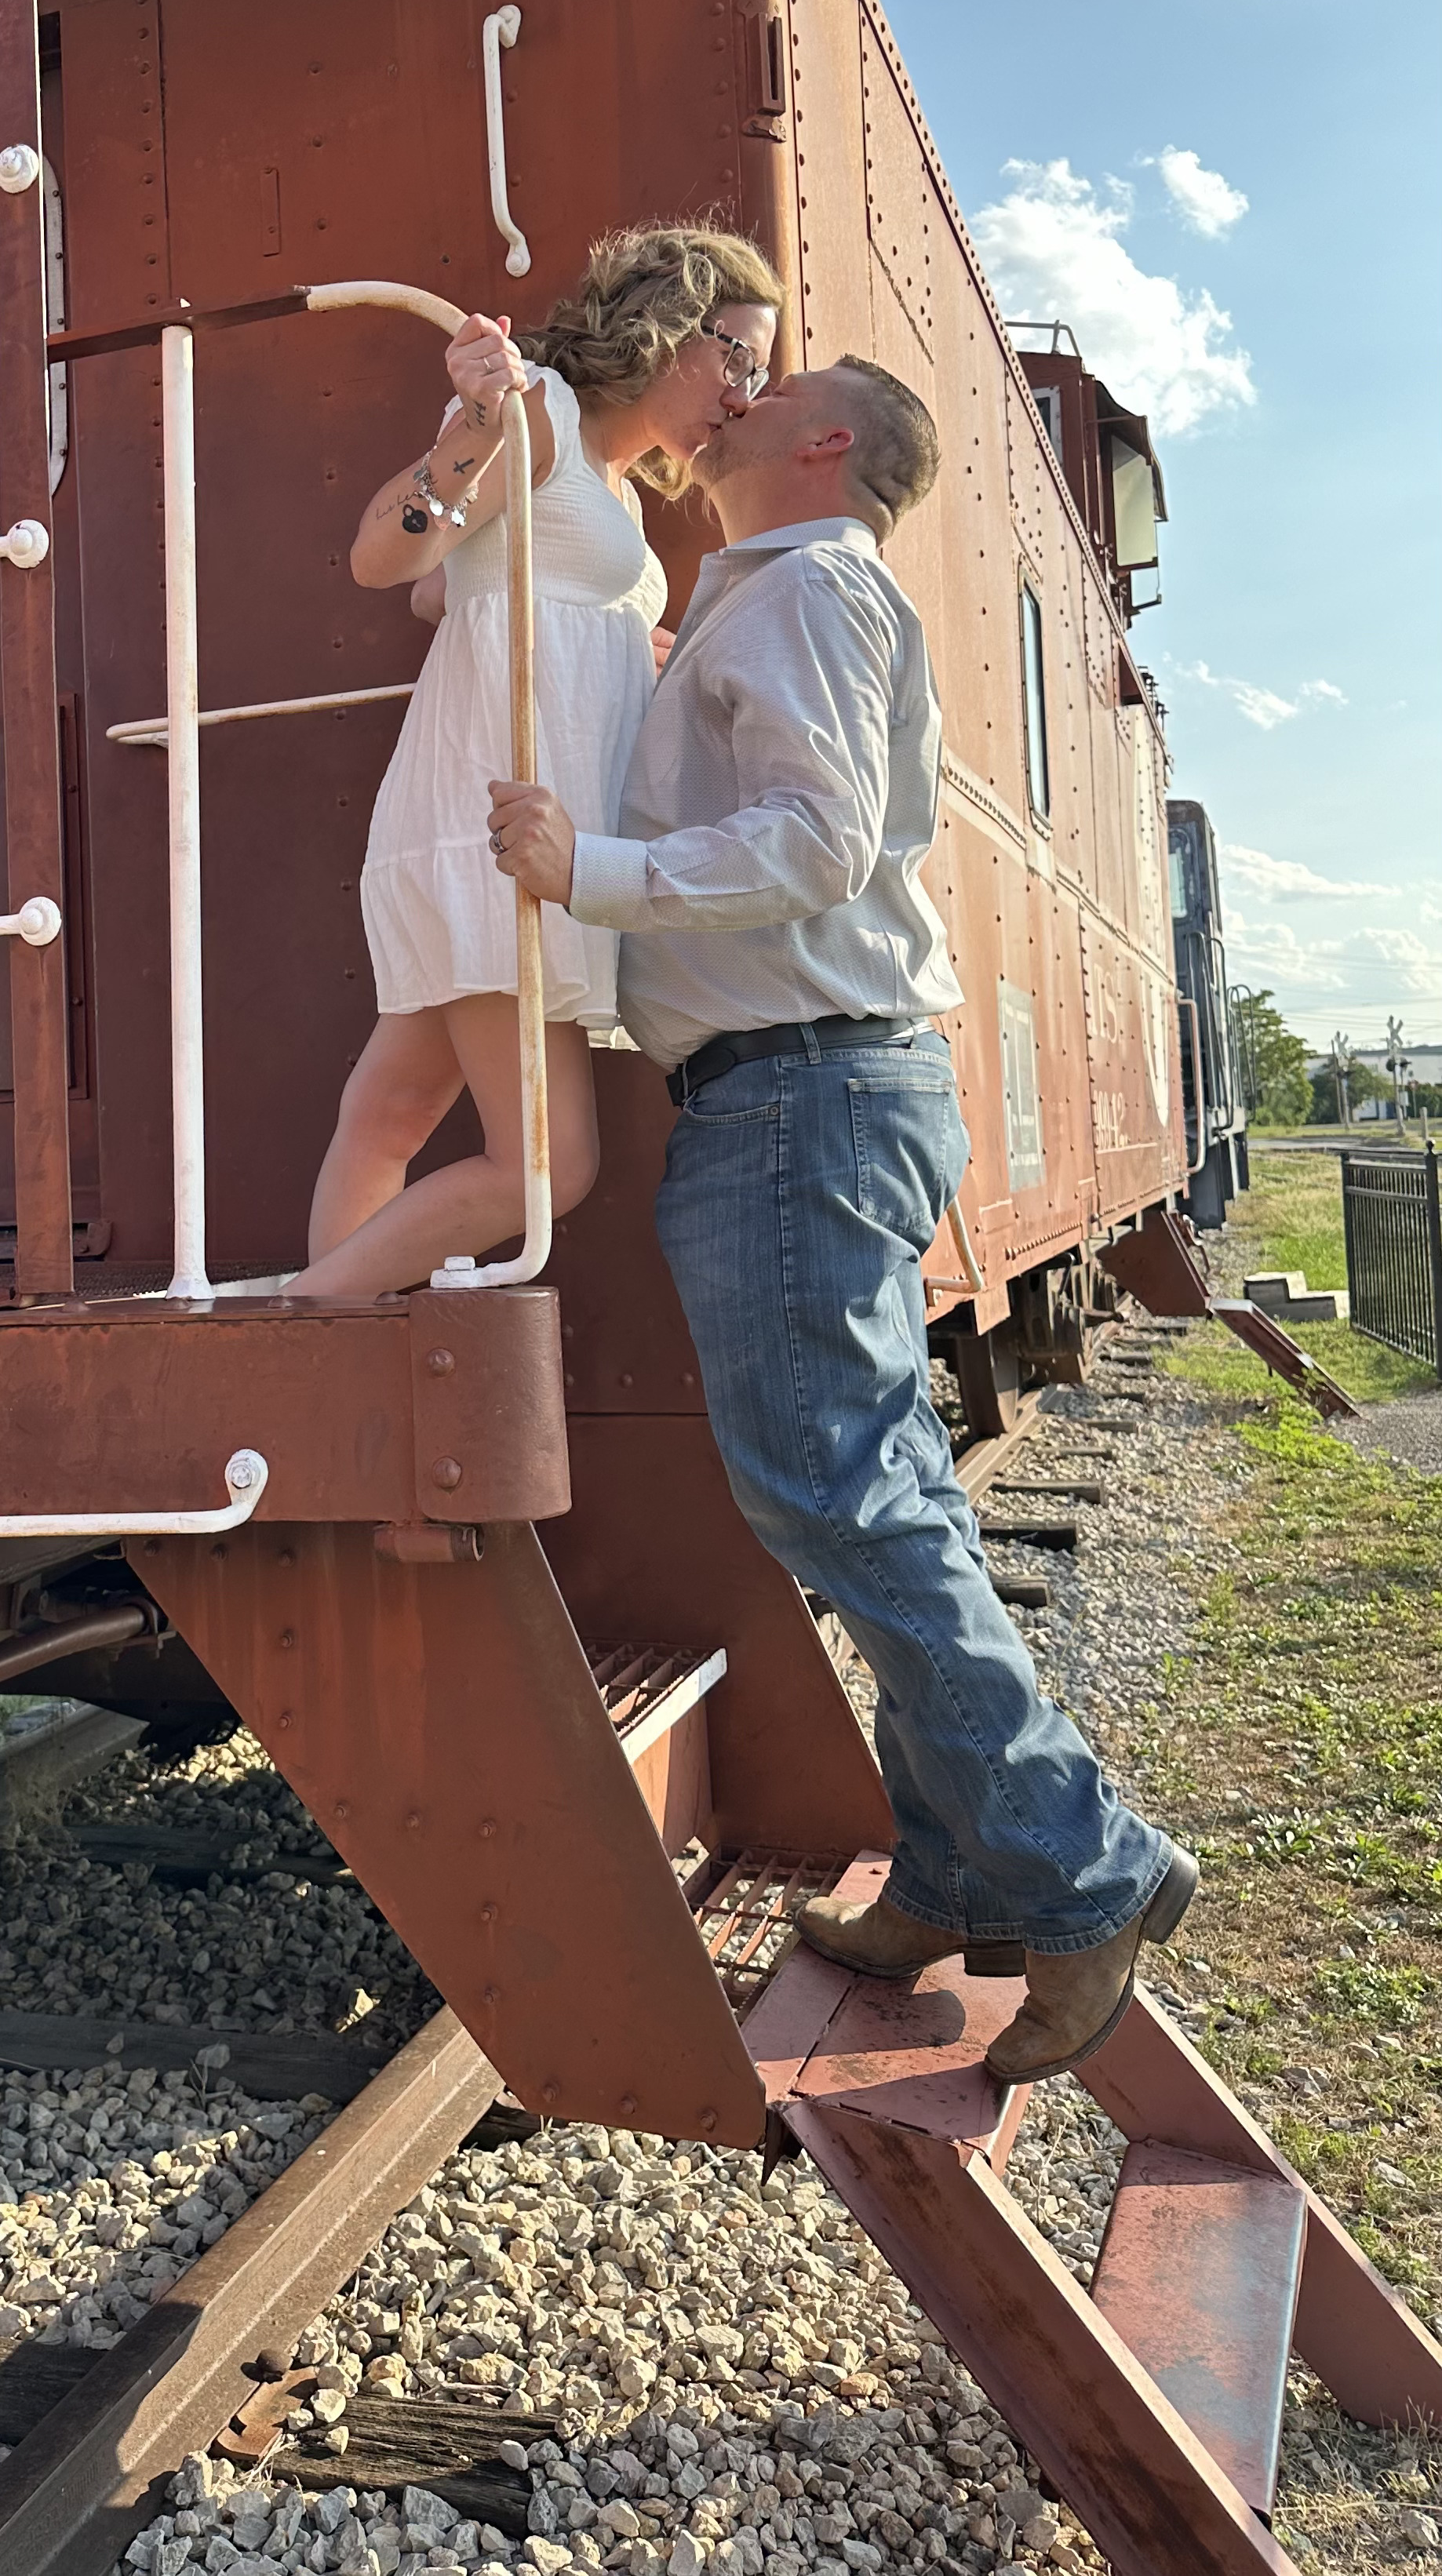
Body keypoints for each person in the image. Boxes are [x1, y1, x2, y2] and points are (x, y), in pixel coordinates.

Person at [485, 353, 1196, 2085]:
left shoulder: (806, 586)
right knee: (858, 1494)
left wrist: (591, 869)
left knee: (848, 1494)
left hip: (800, 1091)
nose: (718, 394)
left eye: (764, 384)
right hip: (799, 1088)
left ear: (827, 445)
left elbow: (812, 838)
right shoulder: (773, 598)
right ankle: (961, 1863)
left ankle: (1082, 1868)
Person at [286, 224, 784, 1301]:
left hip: (535, 828)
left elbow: (450, 590)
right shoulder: (537, 408)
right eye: (739, 356)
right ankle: (307, 1312)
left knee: (387, 1115)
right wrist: (475, 419)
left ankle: (320, 1348)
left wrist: (621, 639)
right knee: (545, 1164)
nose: (745, 391)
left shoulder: (615, 483)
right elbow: (388, 558)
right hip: (493, 814)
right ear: (671, 326)